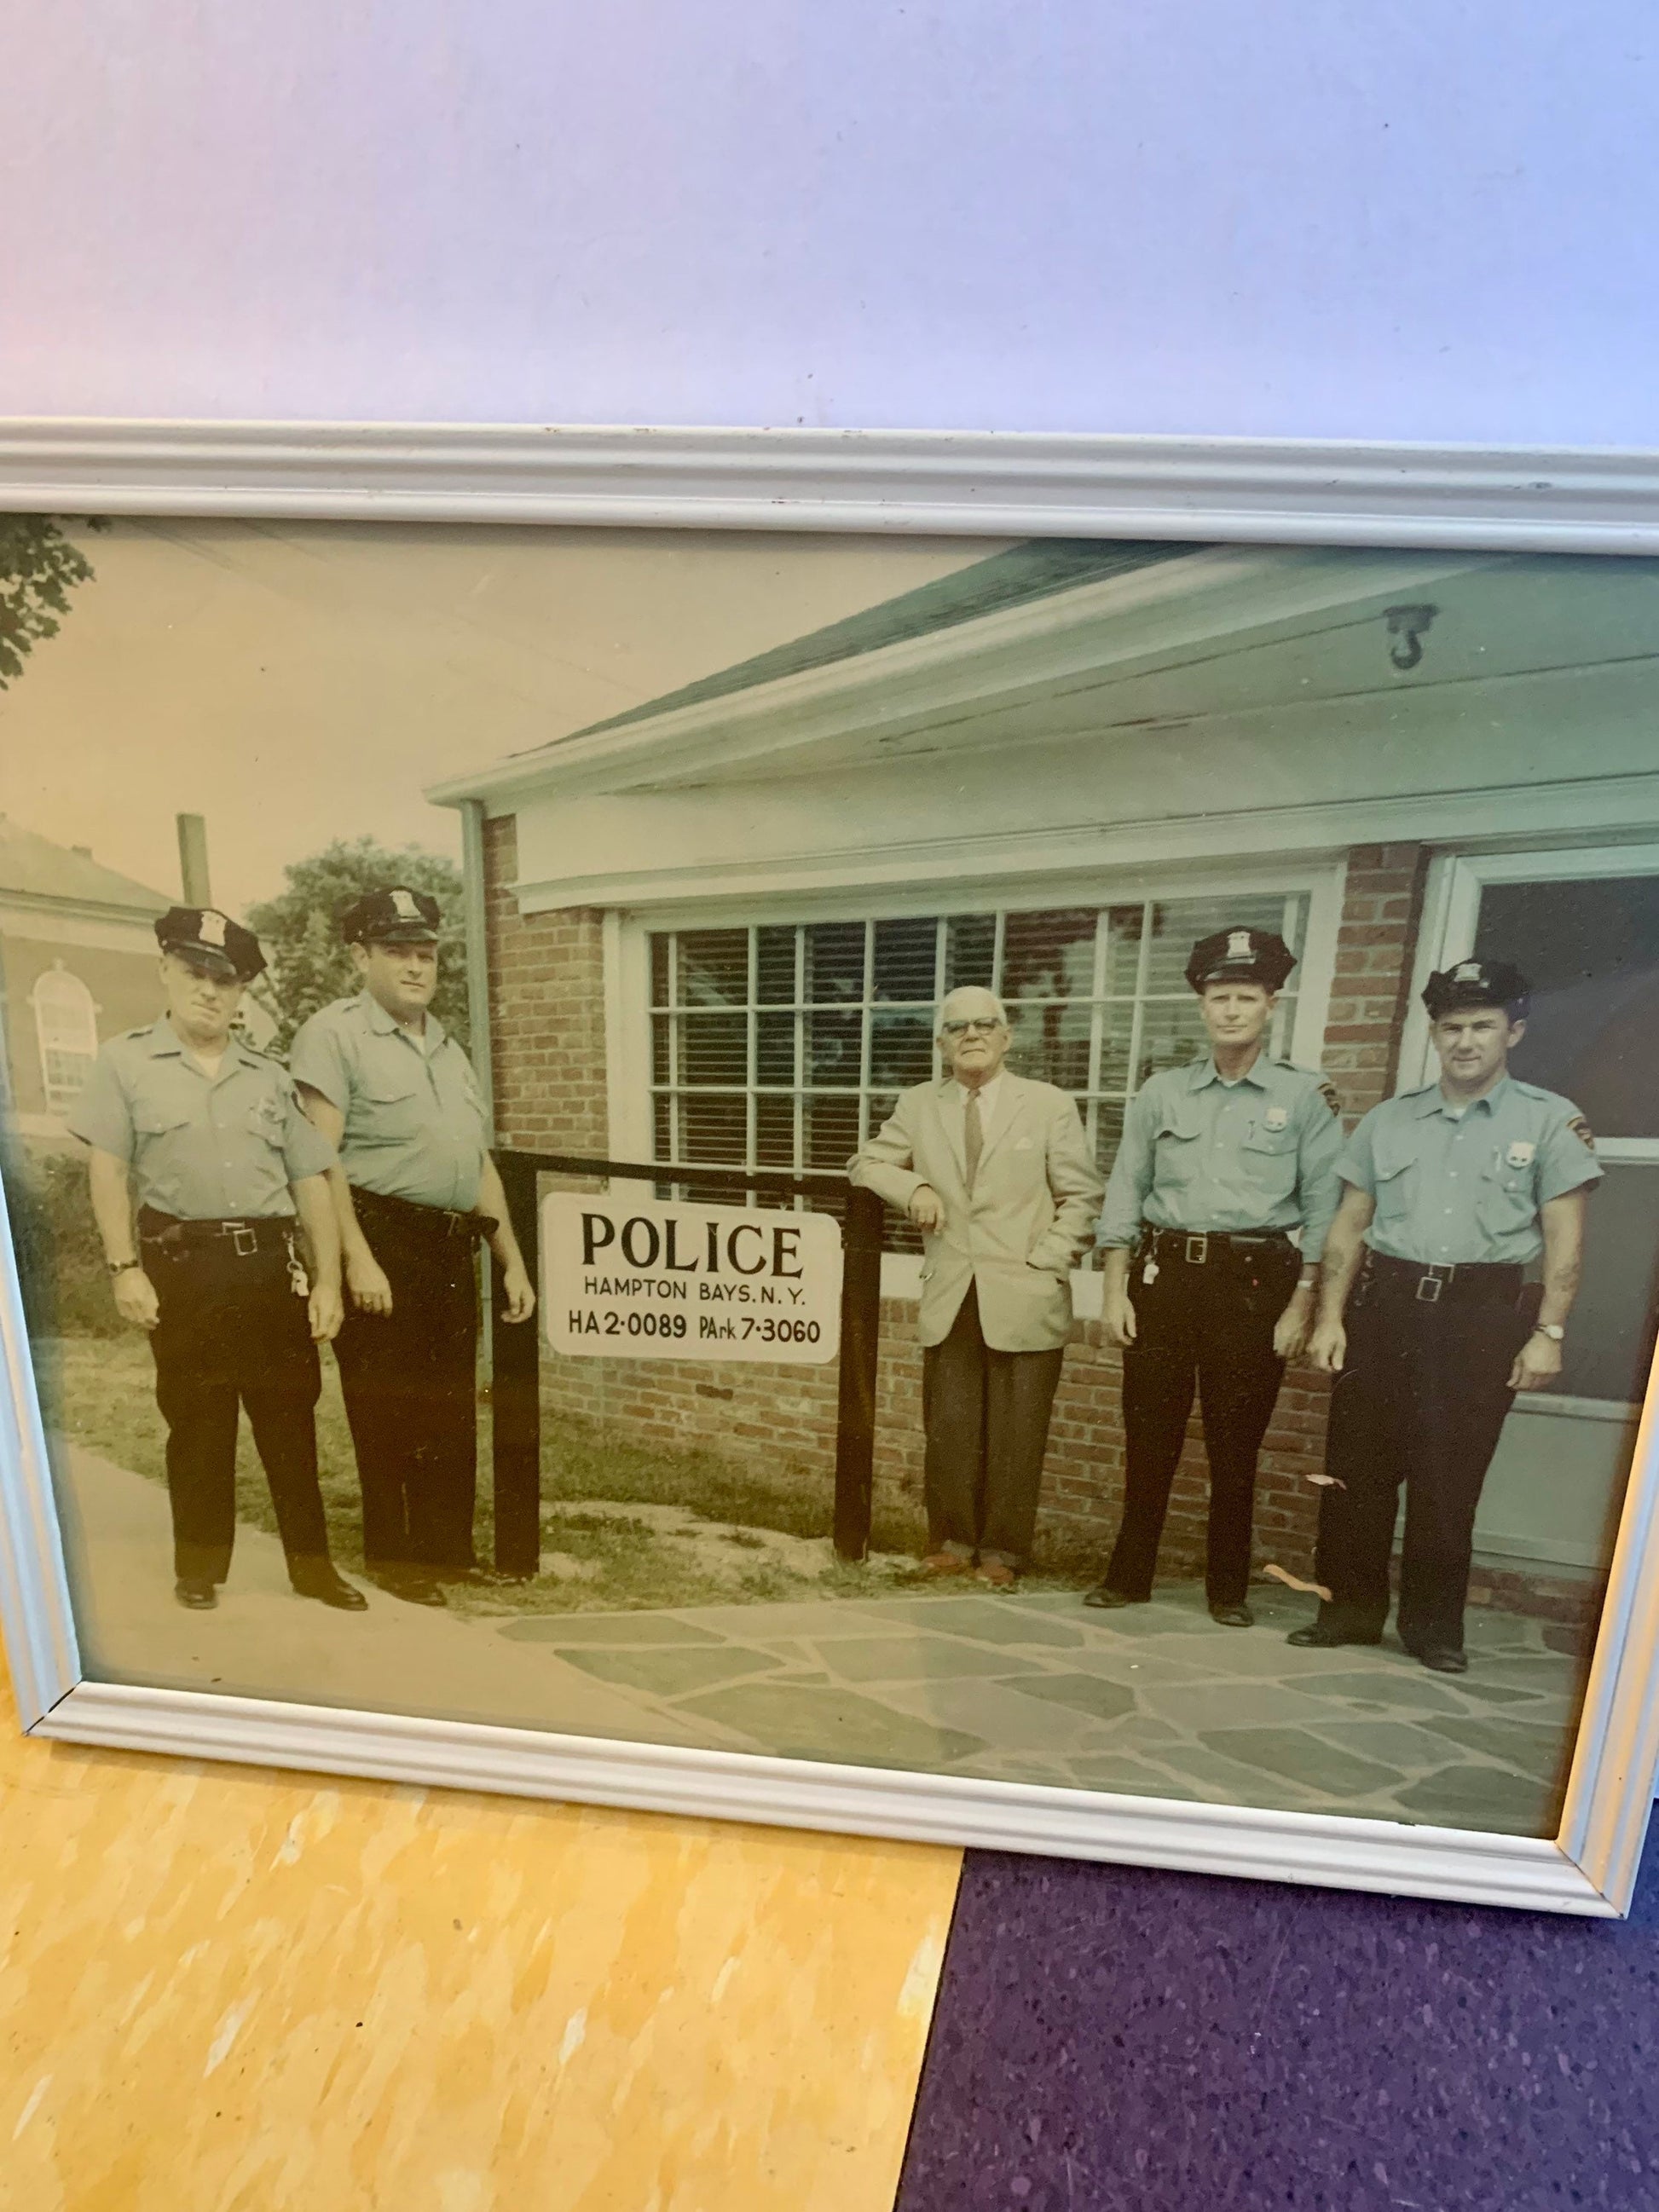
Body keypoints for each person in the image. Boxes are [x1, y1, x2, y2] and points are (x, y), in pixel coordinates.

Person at [1288, 957, 1602, 1674]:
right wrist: (1331, 1317)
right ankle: (1347, 1612)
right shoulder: (1389, 1121)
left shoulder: (1550, 1121)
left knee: (1447, 1476)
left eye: (1483, 1026)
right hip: (1385, 1310)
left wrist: (1548, 1331)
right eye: (1452, 1027)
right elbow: (1347, 1228)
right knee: (1356, 1471)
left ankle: (1433, 1629)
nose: (1466, 1041)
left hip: (1480, 1317)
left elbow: (1566, 1245)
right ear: (1434, 1033)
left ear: (1513, 1031)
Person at [69, 905, 363, 1613]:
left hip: (268, 1268)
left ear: (241, 993)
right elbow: (107, 1172)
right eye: (195, 973)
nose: (209, 991)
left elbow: (310, 1180)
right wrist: (123, 1268)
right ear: (166, 972)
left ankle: (312, 1568)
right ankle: (199, 1567)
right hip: (184, 1266)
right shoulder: (125, 1061)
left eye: (225, 982)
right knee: (197, 1422)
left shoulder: (268, 1075)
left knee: (290, 1420)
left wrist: (328, 1279)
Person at [1085, 927, 1344, 1626]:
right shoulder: (1163, 1092)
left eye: (1247, 997)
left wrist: (1302, 1305)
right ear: (1202, 1005)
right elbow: (1124, 1191)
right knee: (1150, 1436)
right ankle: (1129, 1575)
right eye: (1220, 996)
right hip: (1165, 1279)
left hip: (1255, 1285)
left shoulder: (1304, 1097)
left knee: (1236, 1446)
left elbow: (1325, 1208)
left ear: (1271, 1004)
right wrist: (1114, 1289)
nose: (1232, 1010)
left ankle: (1225, 1588)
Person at [290, 887, 535, 1607]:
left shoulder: (448, 1046)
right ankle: (395, 1559)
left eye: (425, 953)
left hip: (450, 1243)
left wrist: (511, 1256)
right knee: (388, 1405)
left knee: (450, 1404)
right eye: (397, 951)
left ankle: (446, 1554)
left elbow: (476, 1161)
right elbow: (320, 1159)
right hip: (381, 1232)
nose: (415, 967)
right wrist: (354, 1258)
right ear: (361, 955)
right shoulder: (334, 1035)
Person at [850, 985, 1103, 1586]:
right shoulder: (918, 1105)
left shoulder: (1046, 1104)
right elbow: (866, 1162)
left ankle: (1004, 1552)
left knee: (1018, 1431)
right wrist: (914, 1190)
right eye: (957, 1026)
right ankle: (952, 1539)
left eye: (985, 1024)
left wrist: (1047, 1260)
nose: (971, 1034)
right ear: (941, 1043)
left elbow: (1083, 1196)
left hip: (1026, 1289)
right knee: (953, 1426)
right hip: (952, 1289)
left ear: (1007, 1036)